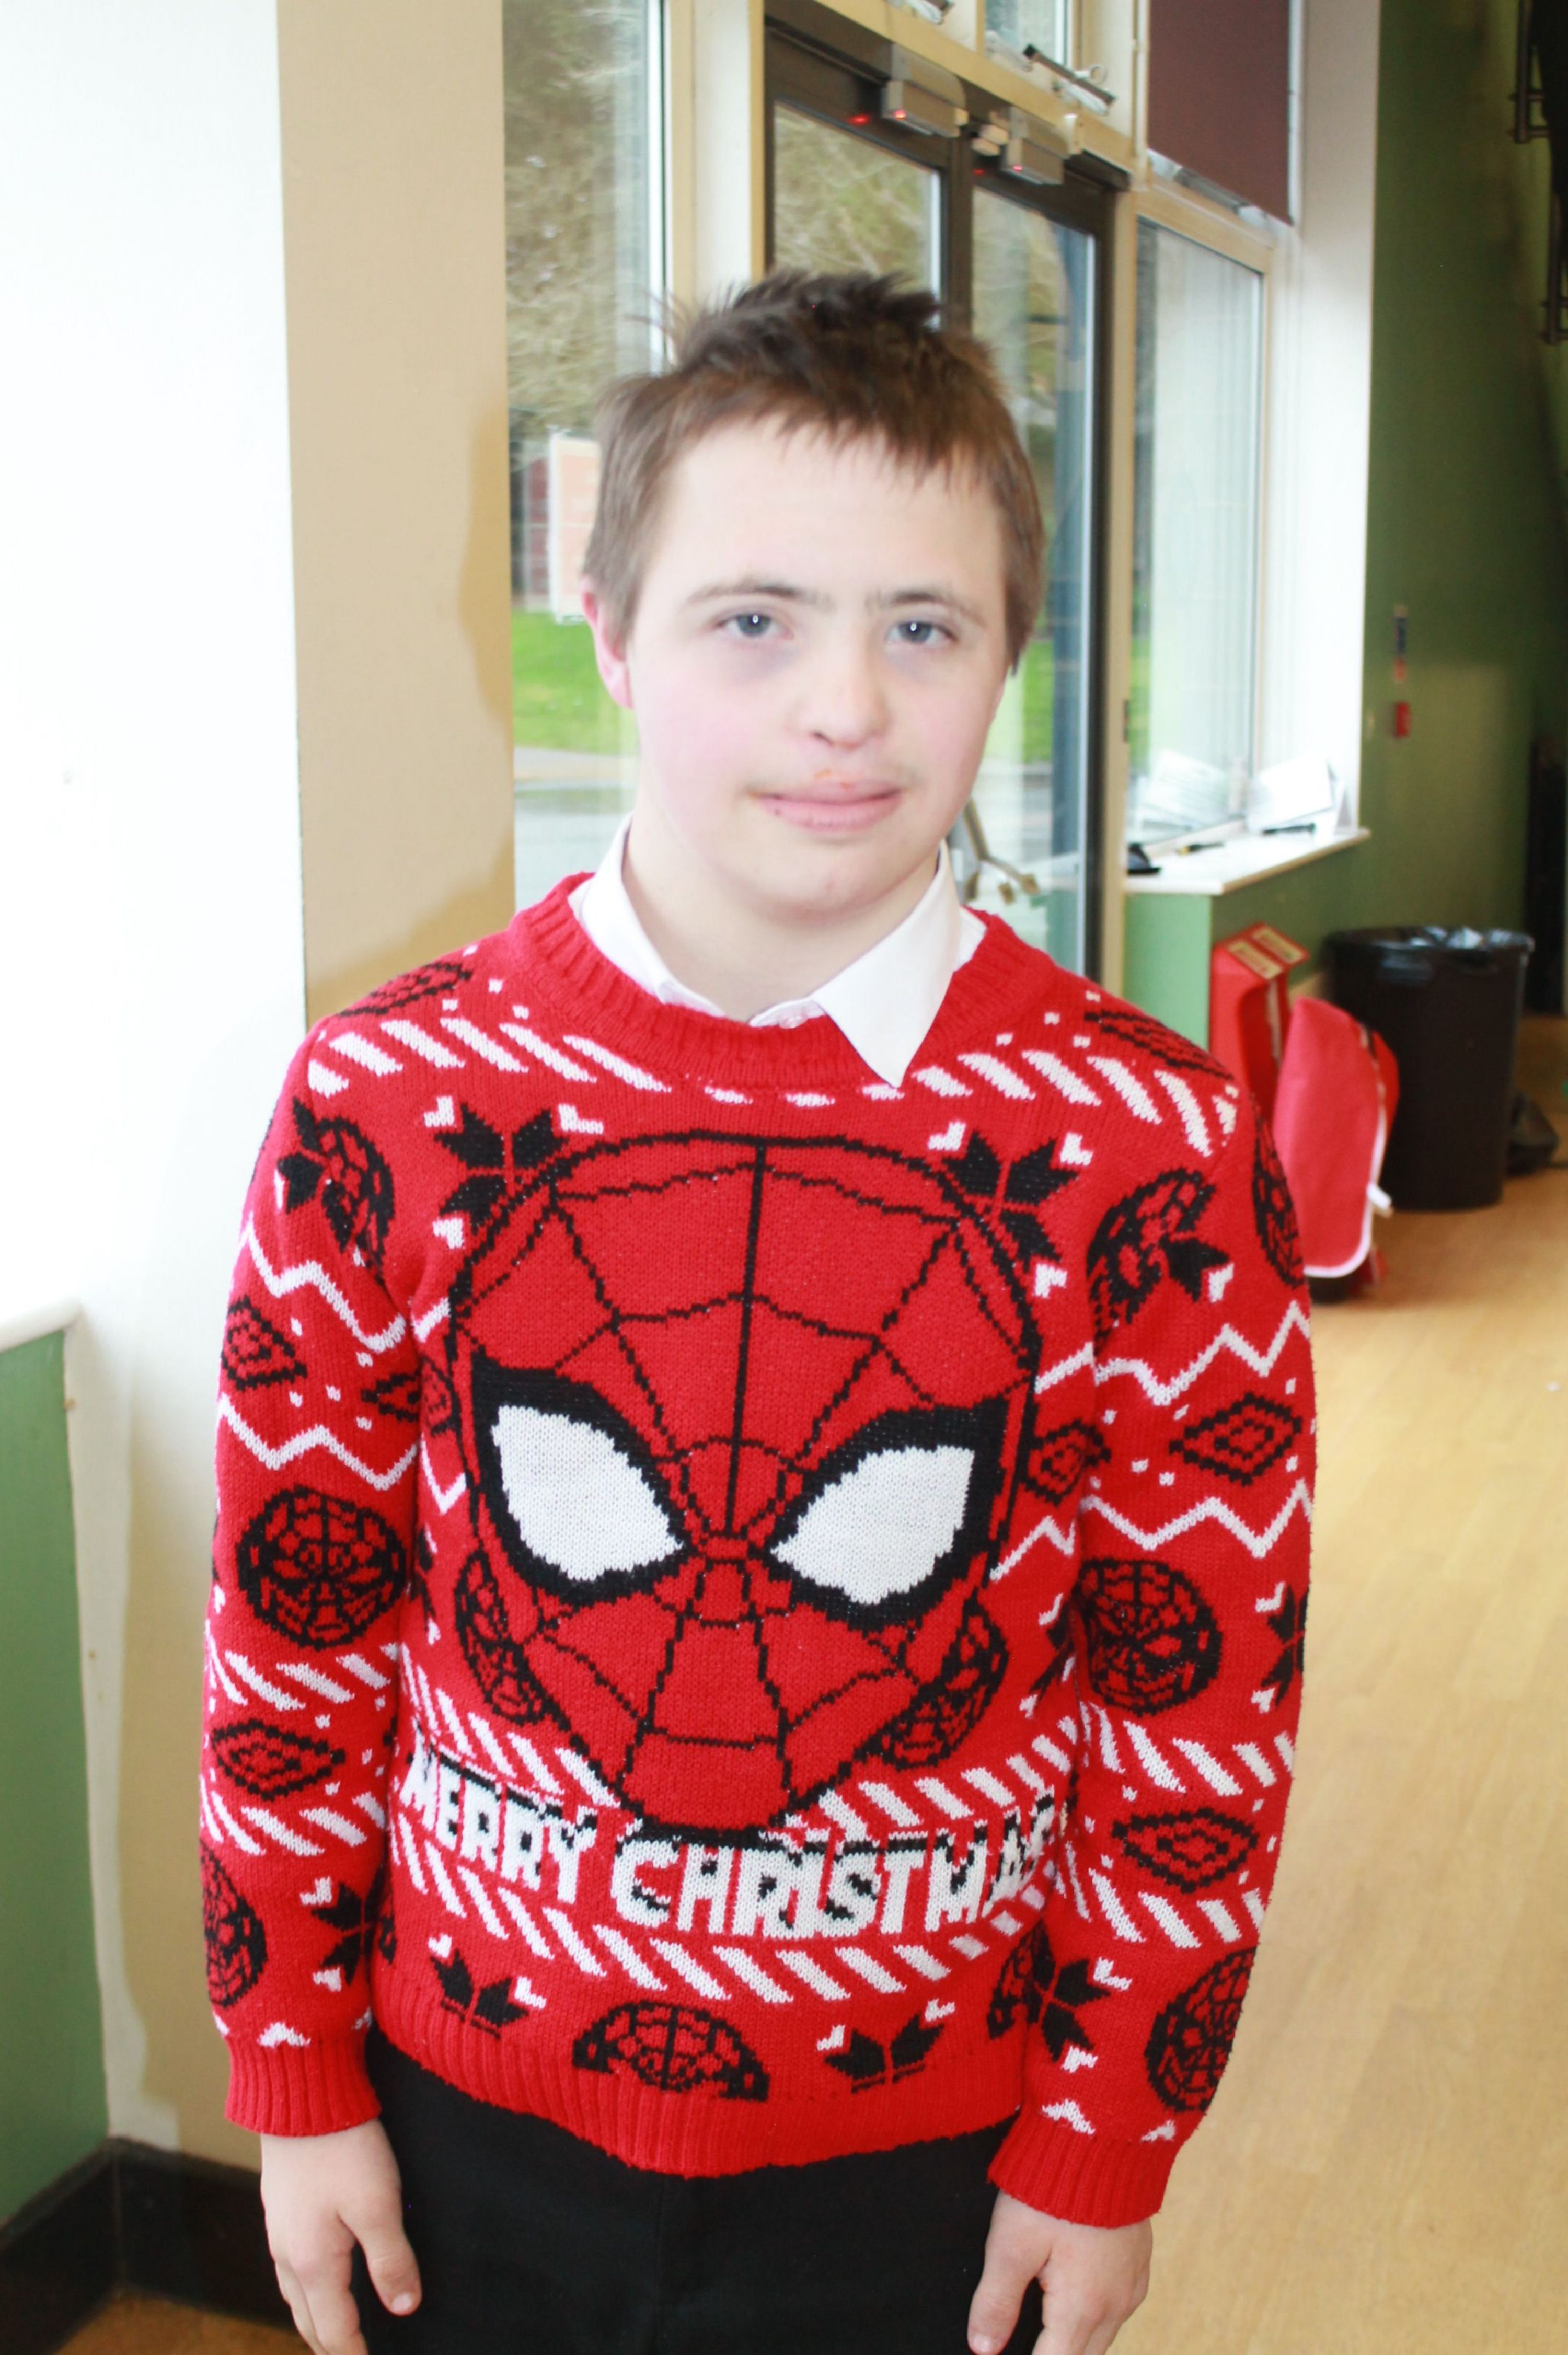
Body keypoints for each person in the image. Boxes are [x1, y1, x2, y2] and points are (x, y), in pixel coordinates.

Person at [200, 273, 1313, 2355]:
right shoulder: (384, 1099)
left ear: (1010, 659)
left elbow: (1201, 1700)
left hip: (934, 2158)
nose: (844, 707)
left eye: (925, 626)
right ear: (607, 633)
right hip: (461, 2120)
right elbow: (300, 1620)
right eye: (753, 619)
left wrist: (1107, 2135)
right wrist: (294, 2065)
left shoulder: (1153, 1147)